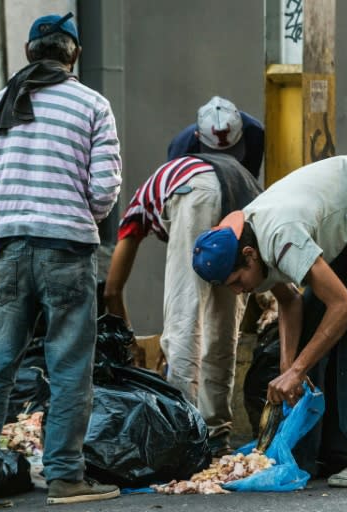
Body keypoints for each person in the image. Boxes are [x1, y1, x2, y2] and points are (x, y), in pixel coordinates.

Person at [0, 13, 122, 505]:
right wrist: (71, 211)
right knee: (68, 368)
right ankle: (65, 478)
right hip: (67, 249)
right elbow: (104, 189)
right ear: (75, 55)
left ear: (29, 53)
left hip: (8, 248)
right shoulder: (92, 104)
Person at [192, 155, 347, 487]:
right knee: (313, 338)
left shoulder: (279, 236)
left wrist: (298, 370)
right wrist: (289, 364)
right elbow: (290, 303)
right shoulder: (249, 239)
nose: (238, 291)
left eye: (236, 281)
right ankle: (304, 457)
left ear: (248, 256)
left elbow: (345, 307)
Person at [103, 151, 261, 457]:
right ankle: (216, 434)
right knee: (223, 326)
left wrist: (128, 342)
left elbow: (111, 290)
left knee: (184, 315)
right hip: (246, 192)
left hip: (196, 192)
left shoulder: (140, 204)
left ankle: (182, 435)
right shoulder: (203, 170)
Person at [167, 96, 265, 179]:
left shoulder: (254, 134)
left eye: (230, 150)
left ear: (242, 130)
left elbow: (251, 178)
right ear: (197, 136)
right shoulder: (181, 147)